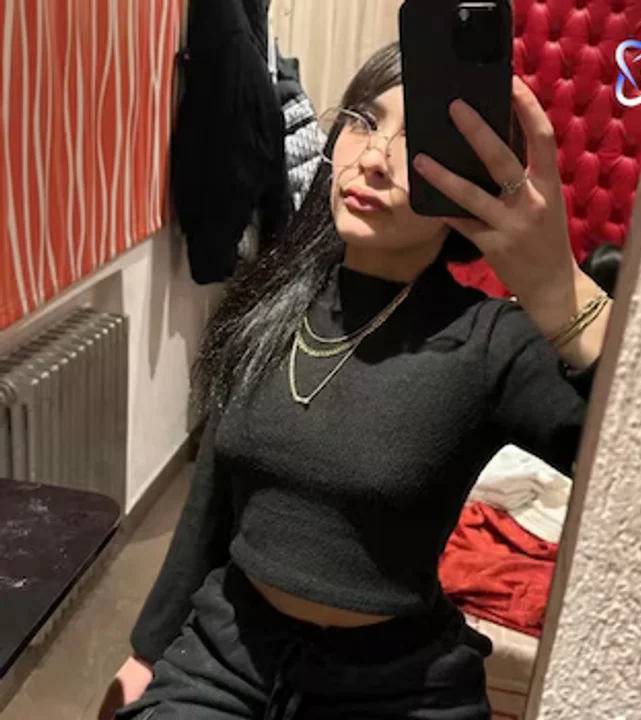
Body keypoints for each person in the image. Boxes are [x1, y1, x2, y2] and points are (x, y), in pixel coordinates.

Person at [101, 42, 612, 720]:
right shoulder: (269, 303)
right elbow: (212, 497)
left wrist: (561, 291)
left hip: (397, 683)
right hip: (230, 652)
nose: (373, 157)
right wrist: (148, 650)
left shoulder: (490, 341)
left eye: (419, 142)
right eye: (364, 120)